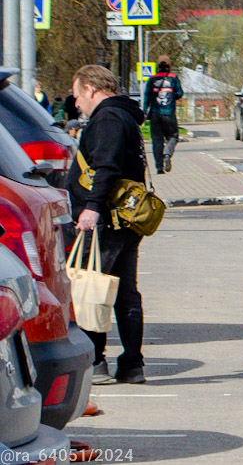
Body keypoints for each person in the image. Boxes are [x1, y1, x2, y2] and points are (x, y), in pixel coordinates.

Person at [67, 64, 148, 386]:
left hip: (107, 221)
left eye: (76, 95)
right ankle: (131, 364)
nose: (75, 103)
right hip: (123, 220)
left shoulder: (108, 118)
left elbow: (106, 167)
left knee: (92, 289)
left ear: (90, 89)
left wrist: (91, 208)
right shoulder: (124, 115)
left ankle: (97, 361)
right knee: (124, 292)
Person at [142, 57, 183, 173]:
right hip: (169, 113)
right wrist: (172, 95)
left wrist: (144, 112)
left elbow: (147, 97)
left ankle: (159, 168)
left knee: (157, 140)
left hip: (155, 114)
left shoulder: (152, 80)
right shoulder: (174, 79)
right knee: (173, 136)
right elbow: (180, 93)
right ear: (169, 67)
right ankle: (167, 153)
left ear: (157, 67)